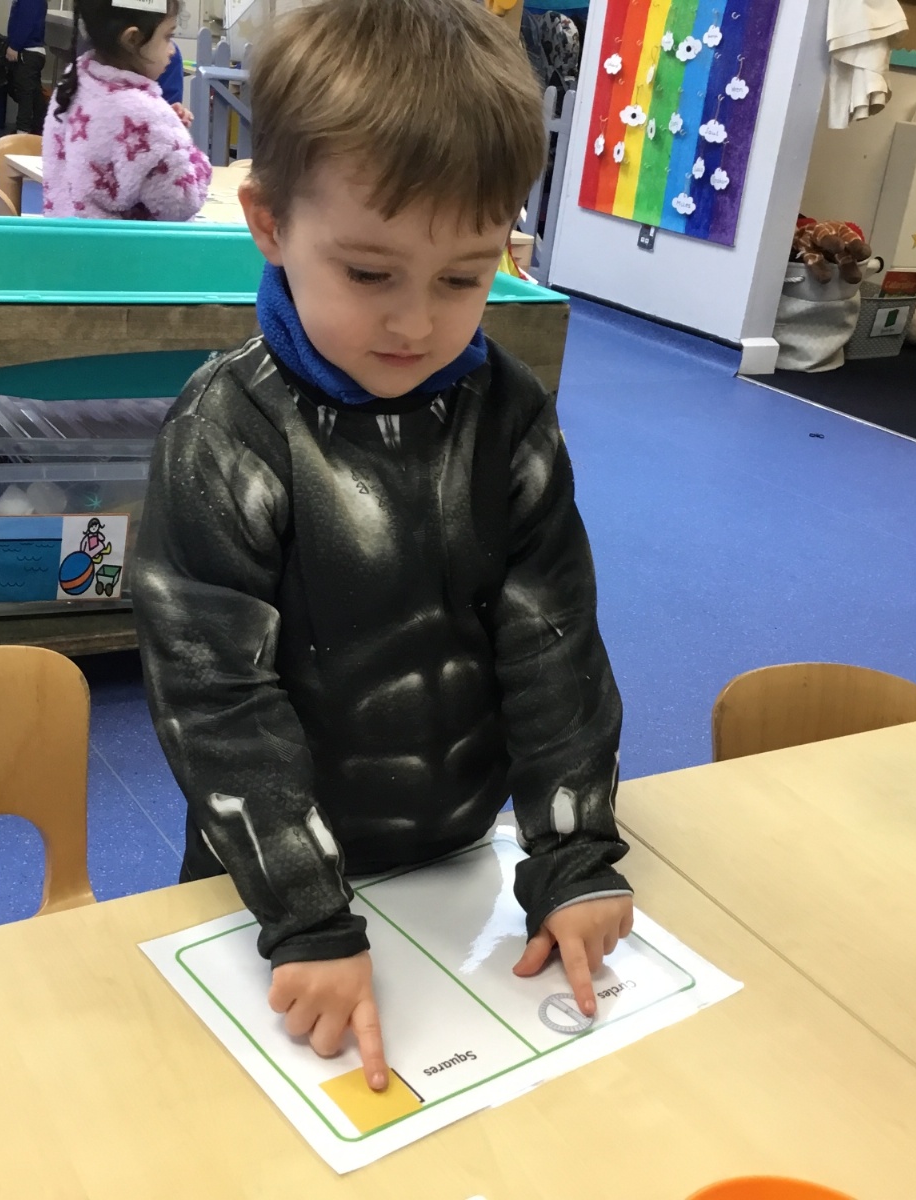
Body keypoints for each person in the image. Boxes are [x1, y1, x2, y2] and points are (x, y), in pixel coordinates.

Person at [131, 0, 630, 1093]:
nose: (416, 323)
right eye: (369, 274)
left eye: (463, 277)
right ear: (269, 223)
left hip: (459, 865)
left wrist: (575, 855)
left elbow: (553, 642)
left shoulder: (509, 414)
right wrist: (307, 917)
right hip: (265, 891)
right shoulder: (225, 434)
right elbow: (215, 699)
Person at [42, 0, 209, 220]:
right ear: (132, 39)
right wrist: (179, 143)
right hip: (122, 240)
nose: (171, 51)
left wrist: (166, 126)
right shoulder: (145, 113)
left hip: (67, 233)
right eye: (168, 37)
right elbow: (180, 203)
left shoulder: (76, 81)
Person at [4, 0, 48, 135]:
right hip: (34, 51)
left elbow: (26, 22)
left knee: (25, 94)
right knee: (34, 94)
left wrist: (14, 45)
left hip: (28, 51)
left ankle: (23, 131)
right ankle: (39, 129)